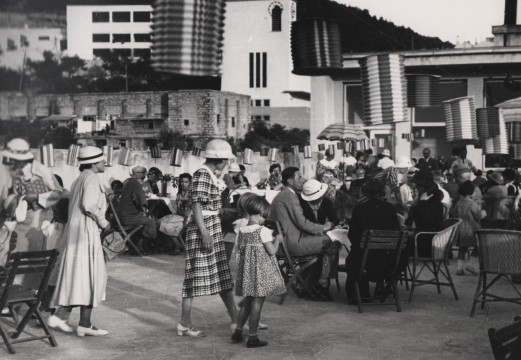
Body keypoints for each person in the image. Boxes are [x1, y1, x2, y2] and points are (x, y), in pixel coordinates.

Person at [177, 139, 238, 338]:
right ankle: (184, 323)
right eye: (226, 161)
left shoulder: (209, 175)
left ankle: (236, 319)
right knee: (194, 277)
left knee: (221, 273)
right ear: (219, 160)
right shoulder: (203, 174)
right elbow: (196, 205)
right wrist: (204, 234)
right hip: (203, 230)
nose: (227, 164)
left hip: (211, 227)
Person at [50, 146, 110, 337]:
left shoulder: (79, 178)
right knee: (89, 276)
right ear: (94, 163)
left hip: (78, 233)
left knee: (85, 276)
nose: (104, 163)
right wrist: (104, 222)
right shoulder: (91, 177)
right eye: (101, 161)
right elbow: (89, 204)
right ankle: (67, 318)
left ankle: (82, 322)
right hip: (86, 233)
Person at [269, 167, 336, 299]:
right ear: (290, 181)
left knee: (324, 244)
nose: (303, 179)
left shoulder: (281, 195)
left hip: (283, 243)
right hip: (292, 244)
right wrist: (323, 228)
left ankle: (309, 282)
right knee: (332, 242)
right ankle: (322, 283)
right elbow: (302, 223)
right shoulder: (290, 196)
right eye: (299, 177)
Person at [231, 195, 285, 348]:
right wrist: (277, 240)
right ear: (261, 213)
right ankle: (253, 337)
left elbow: (239, 252)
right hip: (260, 274)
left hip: (246, 273)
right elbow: (272, 251)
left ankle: (238, 330)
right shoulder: (263, 231)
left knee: (247, 302)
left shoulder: (241, 231)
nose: (264, 219)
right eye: (264, 216)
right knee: (257, 304)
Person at [2, 138, 63, 258]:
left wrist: (36, 197)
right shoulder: (12, 171)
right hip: (18, 219)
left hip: (37, 220)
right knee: (15, 255)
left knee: (33, 256)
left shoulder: (41, 169)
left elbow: (58, 193)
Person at [345, 179, 401, 304]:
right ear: (382, 193)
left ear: (366, 193)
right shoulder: (390, 209)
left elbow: (352, 235)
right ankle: (380, 287)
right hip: (387, 261)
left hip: (364, 261)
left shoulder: (360, 209)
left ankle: (360, 293)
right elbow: (396, 232)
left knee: (356, 255)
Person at [117, 166, 158, 255]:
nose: (145, 175)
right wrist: (144, 209)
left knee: (146, 220)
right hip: (127, 217)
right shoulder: (136, 184)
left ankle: (139, 244)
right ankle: (143, 245)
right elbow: (142, 201)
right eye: (144, 173)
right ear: (140, 174)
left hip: (122, 215)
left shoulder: (129, 182)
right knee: (151, 222)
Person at [405, 171, 445, 258]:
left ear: (424, 187)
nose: (416, 187)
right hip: (426, 238)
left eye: (418, 185)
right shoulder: (430, 198)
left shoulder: (432, 202)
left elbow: (426, 222)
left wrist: (420, 203)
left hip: (428, 243)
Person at [450, 181, 480, 276]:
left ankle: (459, 269)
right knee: (478, 247)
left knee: (462, 249)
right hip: (472, 229)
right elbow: (478, 216)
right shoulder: (472, 204)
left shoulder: (458, 203)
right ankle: (470, 264)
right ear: (471, 192)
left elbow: (455, 215)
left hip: (460, 229)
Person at [157, 173, 192, 255]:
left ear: (190, 183)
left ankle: (177, 245)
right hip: (179, 215)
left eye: (186, 182)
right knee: (160, 222)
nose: (183, 184)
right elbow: (178, 208)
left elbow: (190, 209)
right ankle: (174, 244)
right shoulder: (180, 193)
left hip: (188, 217)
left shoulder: (191, 193)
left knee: (168, 225)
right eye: (182, 182)